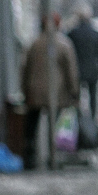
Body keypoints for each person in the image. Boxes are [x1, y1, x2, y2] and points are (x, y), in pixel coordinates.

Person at [19, 13, 79, 170]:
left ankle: (30, 157)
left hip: (34, 92)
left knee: (32, 126)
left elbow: (25, 68)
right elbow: (71, 71)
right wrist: (74, 92)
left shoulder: (34, 44)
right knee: (56, 126)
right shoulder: (64, 44)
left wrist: (24, 90)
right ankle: (54, 156)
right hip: (57, 94)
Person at [66, 8, 98, 118]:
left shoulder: (73, 33)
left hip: (77, 70)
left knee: (76, 97)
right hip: (93, 70)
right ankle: (93, 119)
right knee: (93, 96)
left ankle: (79, 119)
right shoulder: (96, 34)